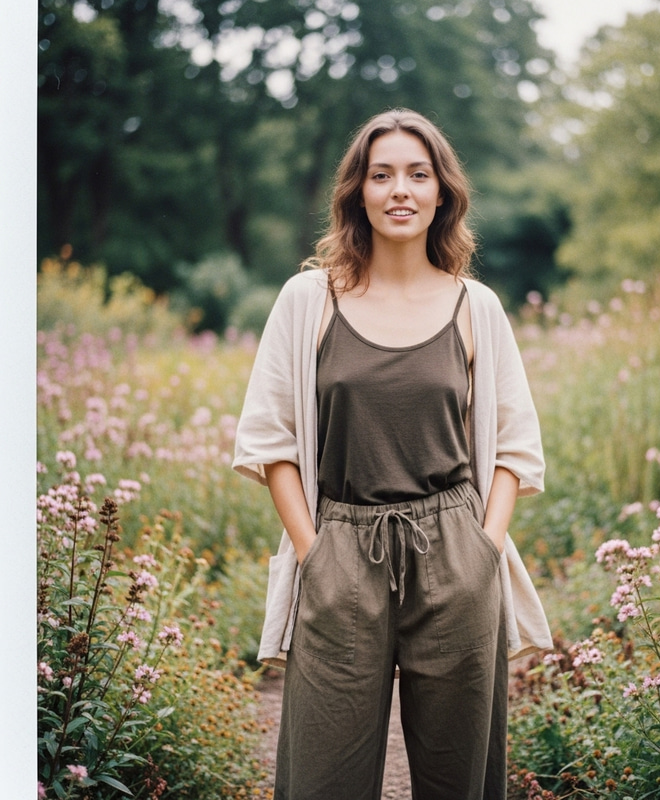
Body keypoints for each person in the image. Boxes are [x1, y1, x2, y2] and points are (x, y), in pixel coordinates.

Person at [233, 108, 552, 800]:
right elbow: (270, 441)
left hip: (455, 552)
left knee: (456, 776)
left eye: (417, 173)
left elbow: (516, 451)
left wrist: (483, 551)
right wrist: (314, 551)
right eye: (382, 175)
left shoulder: (478, 307)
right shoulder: (306, 299)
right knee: (322, 777)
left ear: (442, 193)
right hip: (342, 546)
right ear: (358, 192)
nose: (400, 190)